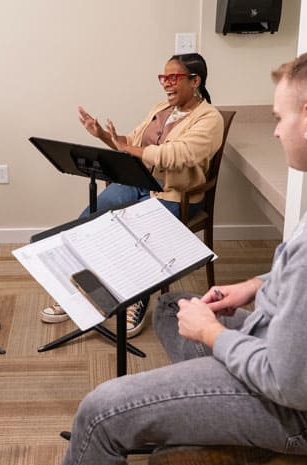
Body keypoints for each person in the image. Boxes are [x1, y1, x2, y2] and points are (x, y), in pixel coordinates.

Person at [60, 45, 307, 465]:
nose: (275, 132)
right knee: (170, 308)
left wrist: (214, 334)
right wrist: (257, 284)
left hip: (291, 409)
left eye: (279, 118)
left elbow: (294, 385)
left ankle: (181, 411)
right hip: (276, 348)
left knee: (99, 411)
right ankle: (186, 407)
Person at [41, 53, 224, 338]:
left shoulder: (210, 118)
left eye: (173, 78)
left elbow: (179, 155)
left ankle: (136, 298)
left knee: (136, 235)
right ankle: (76, 291)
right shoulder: (161, 108)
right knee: (89, 218)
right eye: (163, 78)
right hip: (140, 182)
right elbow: (130, 143)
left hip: (176, 194)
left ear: (195, 80)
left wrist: (133, 151)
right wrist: (101, 134)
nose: (166, 84)